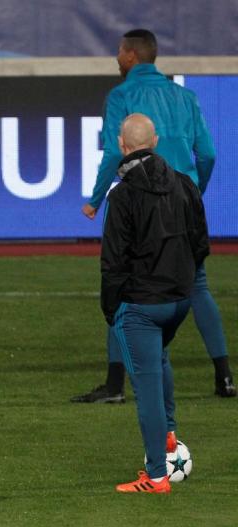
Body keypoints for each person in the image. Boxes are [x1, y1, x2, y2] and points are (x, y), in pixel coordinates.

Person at [73, 28, 234, 403]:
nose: (117, 56)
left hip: (139, 201)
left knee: (123, 281)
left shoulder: (122, 95)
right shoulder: (185, 96)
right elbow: (207, 154)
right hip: (182, 198)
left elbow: (114, 154)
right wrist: (193, 193)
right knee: (197, 285)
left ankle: (114, 385)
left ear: (130, 55)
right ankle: (224, 376)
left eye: (119, 50)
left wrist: (96, 199)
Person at [102, 114, 209, 493]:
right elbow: (201, 243)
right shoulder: (184, 184)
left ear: (122, 145)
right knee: (159, 357)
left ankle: (157, 475)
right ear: (157, 140)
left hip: (142, 305)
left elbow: (113, 261)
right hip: (179, 301)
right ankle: (168, 433)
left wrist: (111, 309)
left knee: (145, 385)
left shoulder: (123, 196)